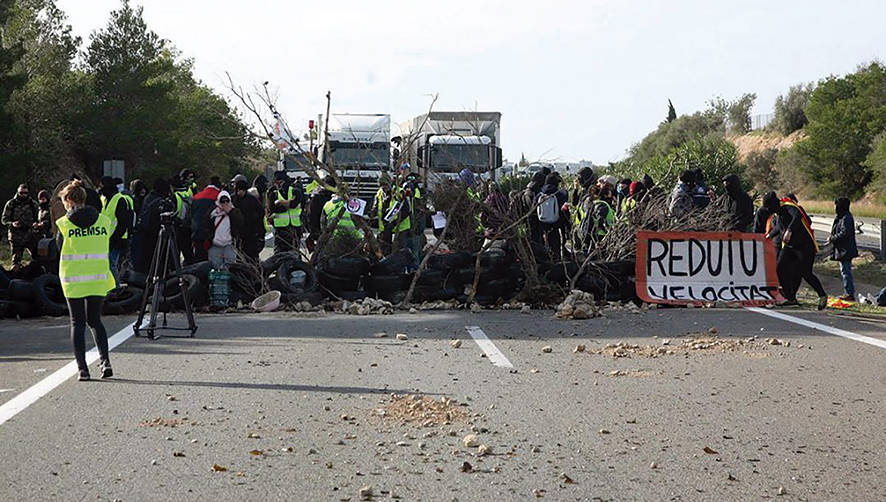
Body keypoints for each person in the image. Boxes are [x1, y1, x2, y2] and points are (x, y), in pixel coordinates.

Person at [55, 180, 115, 381]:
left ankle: (83, 370)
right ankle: (105, 361)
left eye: (64, 200)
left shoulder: (64, 224)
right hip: (98, 278)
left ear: (70, 200)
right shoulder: (103, 221)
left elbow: (58, 250)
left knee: (77, 323)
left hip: (73, 281)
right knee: (95, 321)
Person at [774, 196, 827, 309]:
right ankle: (790, 297)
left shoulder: (789, 207)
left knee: (805, 272)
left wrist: (789, 230)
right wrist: (767, 236)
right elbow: (778, 227)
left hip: (804, 246)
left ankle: (822, 295)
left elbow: (797, 216)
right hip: (790, 246)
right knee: (780, 268)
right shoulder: (778, 213)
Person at [99, 176, 133, 285]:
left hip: (117, 239)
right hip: (105, 238)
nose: (100, 189)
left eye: (101, 186)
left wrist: (114, 238)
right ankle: (111, 286)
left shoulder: (120, 199)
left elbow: (123, 222)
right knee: (106, 264)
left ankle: (116, 286)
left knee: (110, 264)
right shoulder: (103, 199)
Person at [134, 178, 173, 273]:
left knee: (147, 262)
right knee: (159, 262)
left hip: (144, 235)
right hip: (155, 236)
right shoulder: (161, 202)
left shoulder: (148, 198)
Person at [828, 197, 858, 301]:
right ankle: (848, 292)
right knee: (844, 271)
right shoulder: (841, 217)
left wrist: (832, 238)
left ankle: (849, 294)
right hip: (843, 249)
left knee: (846, 272)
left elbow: (845, 233)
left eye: (836, 205)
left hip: (846, 249)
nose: (834, 207)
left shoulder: (846, 217)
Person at [2, 184, 38, 270]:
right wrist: (12, 223)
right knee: (16, 262)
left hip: (30, 235)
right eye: (21, 193)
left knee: (37, 259)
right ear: (18, 192)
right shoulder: (11, 204)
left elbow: (39, 218)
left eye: (25, 193)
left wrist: (36, 224)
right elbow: (4, 219)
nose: (23, 195)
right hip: (16, 236)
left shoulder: (33, 204)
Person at [267, 171, 303, 254]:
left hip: (295, 227)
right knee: (279, 254)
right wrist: (287, 205)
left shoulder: (295, 191)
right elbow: (273, 208)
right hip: (280, 228)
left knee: (294, 253)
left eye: (280, 182)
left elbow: (294, 204)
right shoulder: (273, 193)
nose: (278, 184)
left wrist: (280, 202)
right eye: (276, 182)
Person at [207, 191, 243, 269]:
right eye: (222, 201)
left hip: (229, 245)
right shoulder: (213, 213)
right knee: (215, 268)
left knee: (230, 268)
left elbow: (240, 223)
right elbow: (207, 226)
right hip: (215, 245)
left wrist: (230, 211)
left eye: (227, 201)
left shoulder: (235, 211)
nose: (225, 203)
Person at [536, 174, 569, 260]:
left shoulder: (539, 194)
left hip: (542, 225)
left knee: (542, 250)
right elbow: (564, 208)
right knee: (555, 249)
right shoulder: (559, 194)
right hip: (555, 226)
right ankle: (555, 263)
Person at [231, 178, 264, 262]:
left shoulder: (252, 199)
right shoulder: (233, 199)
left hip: (251, 232)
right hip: (237, 233)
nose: (239, 192)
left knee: (252, 255)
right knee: (239, 255)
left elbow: (261, 213)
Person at [190, 177, 222, 262]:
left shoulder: (196, 197)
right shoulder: (219, 196)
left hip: (197, 233)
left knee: (199, 260)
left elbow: (192, 215)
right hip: (213, 236)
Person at [755, 191, 783, 258]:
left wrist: (770, 235)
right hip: (764, 239)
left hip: (777, 241)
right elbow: (757, 228)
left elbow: (779, 226)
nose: (768, 209)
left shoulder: (780, 210)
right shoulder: (761, 212)